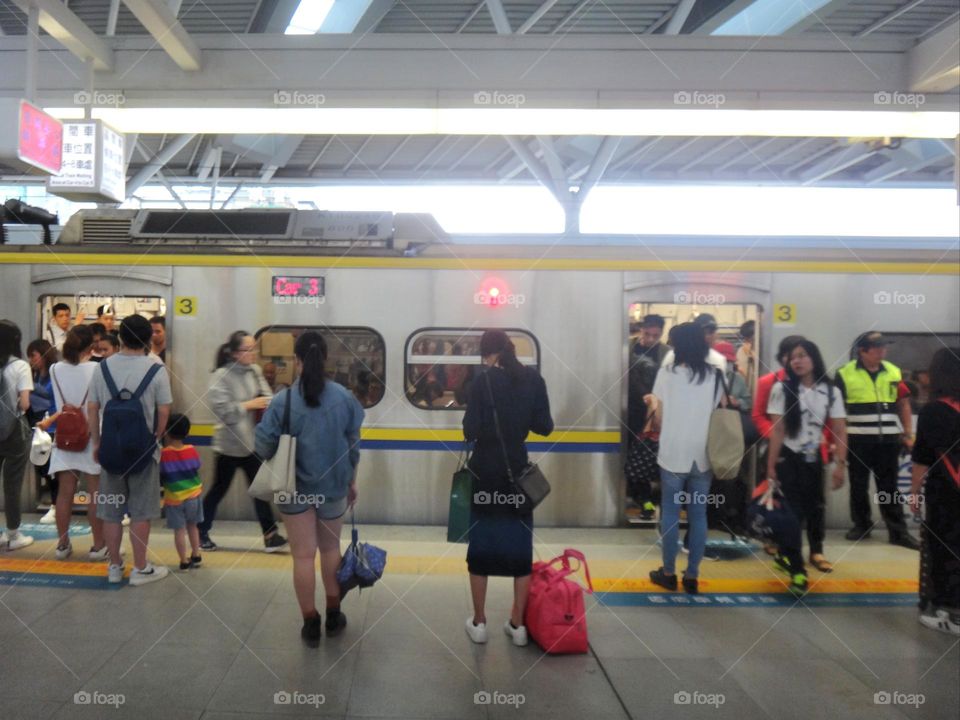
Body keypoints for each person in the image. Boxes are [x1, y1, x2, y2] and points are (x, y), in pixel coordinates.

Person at [256, 332, 364, 647]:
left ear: (297, 360)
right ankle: (334, 615)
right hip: (333, 489)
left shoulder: (282, 399)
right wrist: (351, 481)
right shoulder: (345, 398)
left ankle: (310, 622)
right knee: (330, 550)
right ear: (325, 358)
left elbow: (261, 444)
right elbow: (353, 445)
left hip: (293, 489)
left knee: (303, 556)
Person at [463, 329, 554, 647]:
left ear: (488, 355)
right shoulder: (533, 380)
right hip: (518, 475)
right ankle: (517, 625)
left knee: (480, 550)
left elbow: (469, 429)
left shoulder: (481, 382)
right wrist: (520, 418)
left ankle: (479, 622)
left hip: (485, 476)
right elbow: (545, 427)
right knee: (520, 551)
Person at [87, 315, 172, 586]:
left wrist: (97, 442)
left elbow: (93, 407)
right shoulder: (156, 368)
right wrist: (156, 437)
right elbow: (164, 409)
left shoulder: (102, 368)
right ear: (148, 339)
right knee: (141, 511)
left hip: (111, 451)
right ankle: (140, 568)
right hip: (144, 452)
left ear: (120, 338)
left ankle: (114, 567)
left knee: (111, 510)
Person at [646, 322, 725, 595]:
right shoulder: (715, 376)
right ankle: (692, 576)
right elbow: (717, 411)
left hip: (672, 453)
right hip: (703, 455)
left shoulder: (667, 374)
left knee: (670, 512)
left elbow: (658, 418)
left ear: (677, 345)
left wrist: (652, 406)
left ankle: (668, 573)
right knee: (698, 514)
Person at [766, 339, 848, 596]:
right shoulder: (781, 389)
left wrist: (840, 465)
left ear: (814, 358)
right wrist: (770, 466)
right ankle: (797, 569)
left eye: (802, 356)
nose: (797, 361)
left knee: (813, 509)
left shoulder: (831, 391)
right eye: (793, 358)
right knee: (791, 516)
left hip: (815, 461)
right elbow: (777, 430)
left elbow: (840, 429)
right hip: (788, 460)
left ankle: (806, 553)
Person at [200, 331, 287, 553]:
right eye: (247, 350)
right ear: (234, 353)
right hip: (228, 446)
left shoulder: (255, 371)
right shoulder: (220, 376)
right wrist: (249, 404)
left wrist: (264, 402)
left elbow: (267, 397)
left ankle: (270, 535)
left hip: (252, 444)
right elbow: (225, 412)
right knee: (218, 490)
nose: (253, 354)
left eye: (253, 349)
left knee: (259, 490)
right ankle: (201, 532)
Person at [836, 332, 919, 549]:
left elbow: (903, 403)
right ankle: (861, 525)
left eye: (884, 347)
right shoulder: (844, 374)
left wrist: (908, 433)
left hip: (888, 441)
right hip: (857, 441)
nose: (883, 351)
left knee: (889, 488)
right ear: (862, 351)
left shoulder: (893, 371)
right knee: (858, 485)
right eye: (877, 347)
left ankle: (897, 531)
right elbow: (836, 411)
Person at [38, 325, 107, 560]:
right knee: (94, 494)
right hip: (91, 437)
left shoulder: (56, 369)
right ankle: (98, 546)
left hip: (65, 437)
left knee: (64, 494)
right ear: (90, 347)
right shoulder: (97, 369)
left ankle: (62, 545)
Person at [909, 348, 960, 635]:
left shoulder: (933, 411)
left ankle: (950, 612)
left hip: (945, 493)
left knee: (944, 547)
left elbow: (922, 458)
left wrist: (914, 493)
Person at [626, 314, 668, 520]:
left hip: (654, 413)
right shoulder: (627, 348)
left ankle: (648, 499)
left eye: (656, 335)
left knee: (649, 457)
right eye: (647, 334)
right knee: (634, 457)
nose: (651, 339)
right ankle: (642, 498)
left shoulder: (667, 353)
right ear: (641, 330)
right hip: (630, 411)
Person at [0, 320, 35, 551]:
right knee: (12, 483)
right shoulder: (20, 366)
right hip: (14, 432)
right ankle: (13, 534)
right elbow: (25, 402)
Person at [160, 414, 203, 572]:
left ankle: (184, 561)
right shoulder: (191, 449)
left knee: (179, 530)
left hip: (175, 500)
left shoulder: (164, 454)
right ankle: (196, 554)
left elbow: (162, 472)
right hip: (194, 496)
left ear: (166, 432)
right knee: (193, 526)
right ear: (187, 432)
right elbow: (197, 465)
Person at [26, 339, 58, 523]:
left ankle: (55, 505)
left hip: (53, 424)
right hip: (38, 426)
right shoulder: (35, 375)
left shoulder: (54, 374)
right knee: (41, 466)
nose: (31, 360)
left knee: (51, 467)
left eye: (33, 355)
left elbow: (50, 395)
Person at [660, 313, 726, 372]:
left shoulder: (718, 360)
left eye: (711, 332)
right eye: (703, 332)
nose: (707, 337)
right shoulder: (672, 356)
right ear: (694, 334)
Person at [736, 320, 756, 386]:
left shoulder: (763, 351)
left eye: (749, 338)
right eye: (745, 338)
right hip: (745, 388)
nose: (746, 341)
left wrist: (751, 353)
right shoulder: (741, 351)